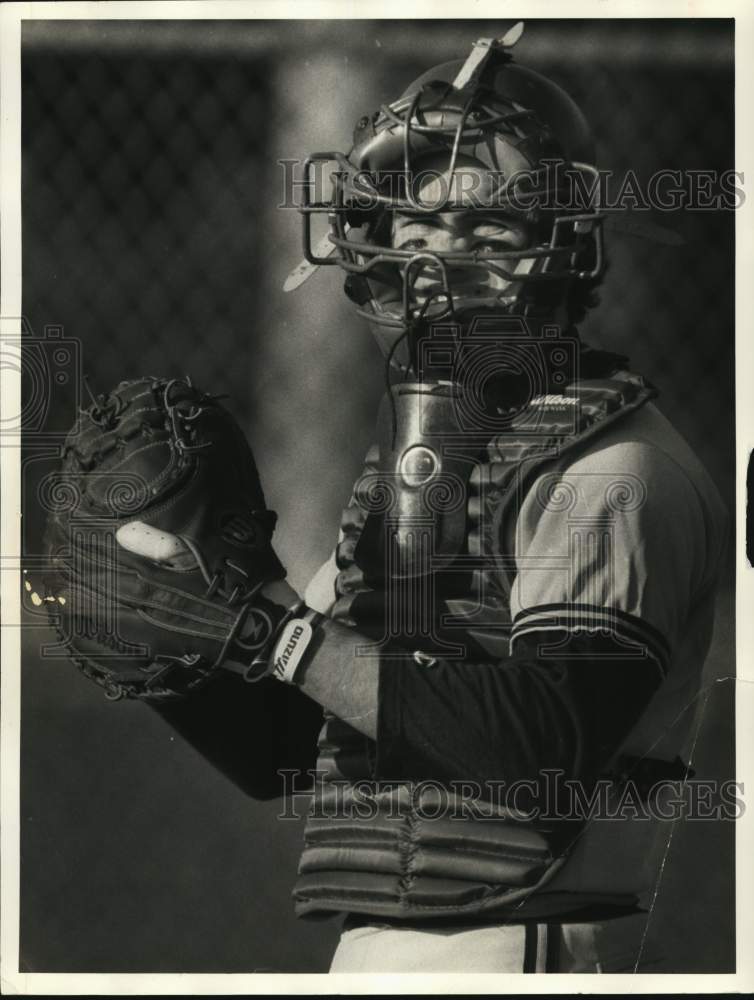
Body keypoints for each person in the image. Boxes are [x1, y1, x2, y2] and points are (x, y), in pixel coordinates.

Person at [52, 26, 729, 973]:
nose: (437, 268)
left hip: (541, 945)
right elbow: (284, 739)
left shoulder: (611, 472)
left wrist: (273, 632)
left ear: (561, 249)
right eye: (413, 232)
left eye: (484, 230)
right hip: (383, 948)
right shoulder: (418, 466)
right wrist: (175, 634)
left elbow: (546, 742)